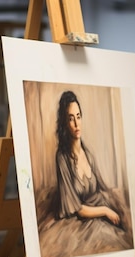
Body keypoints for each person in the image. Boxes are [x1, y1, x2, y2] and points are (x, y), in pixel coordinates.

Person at [54, 90, 127, 229]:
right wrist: (105, 211)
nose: (76, 123)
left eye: (78, 116)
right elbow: (78, 210)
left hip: (100, 207)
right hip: (84, 220)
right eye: (70, 118)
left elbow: (102, 187)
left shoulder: (88, 154)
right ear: (64, 123)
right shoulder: (62, 158)